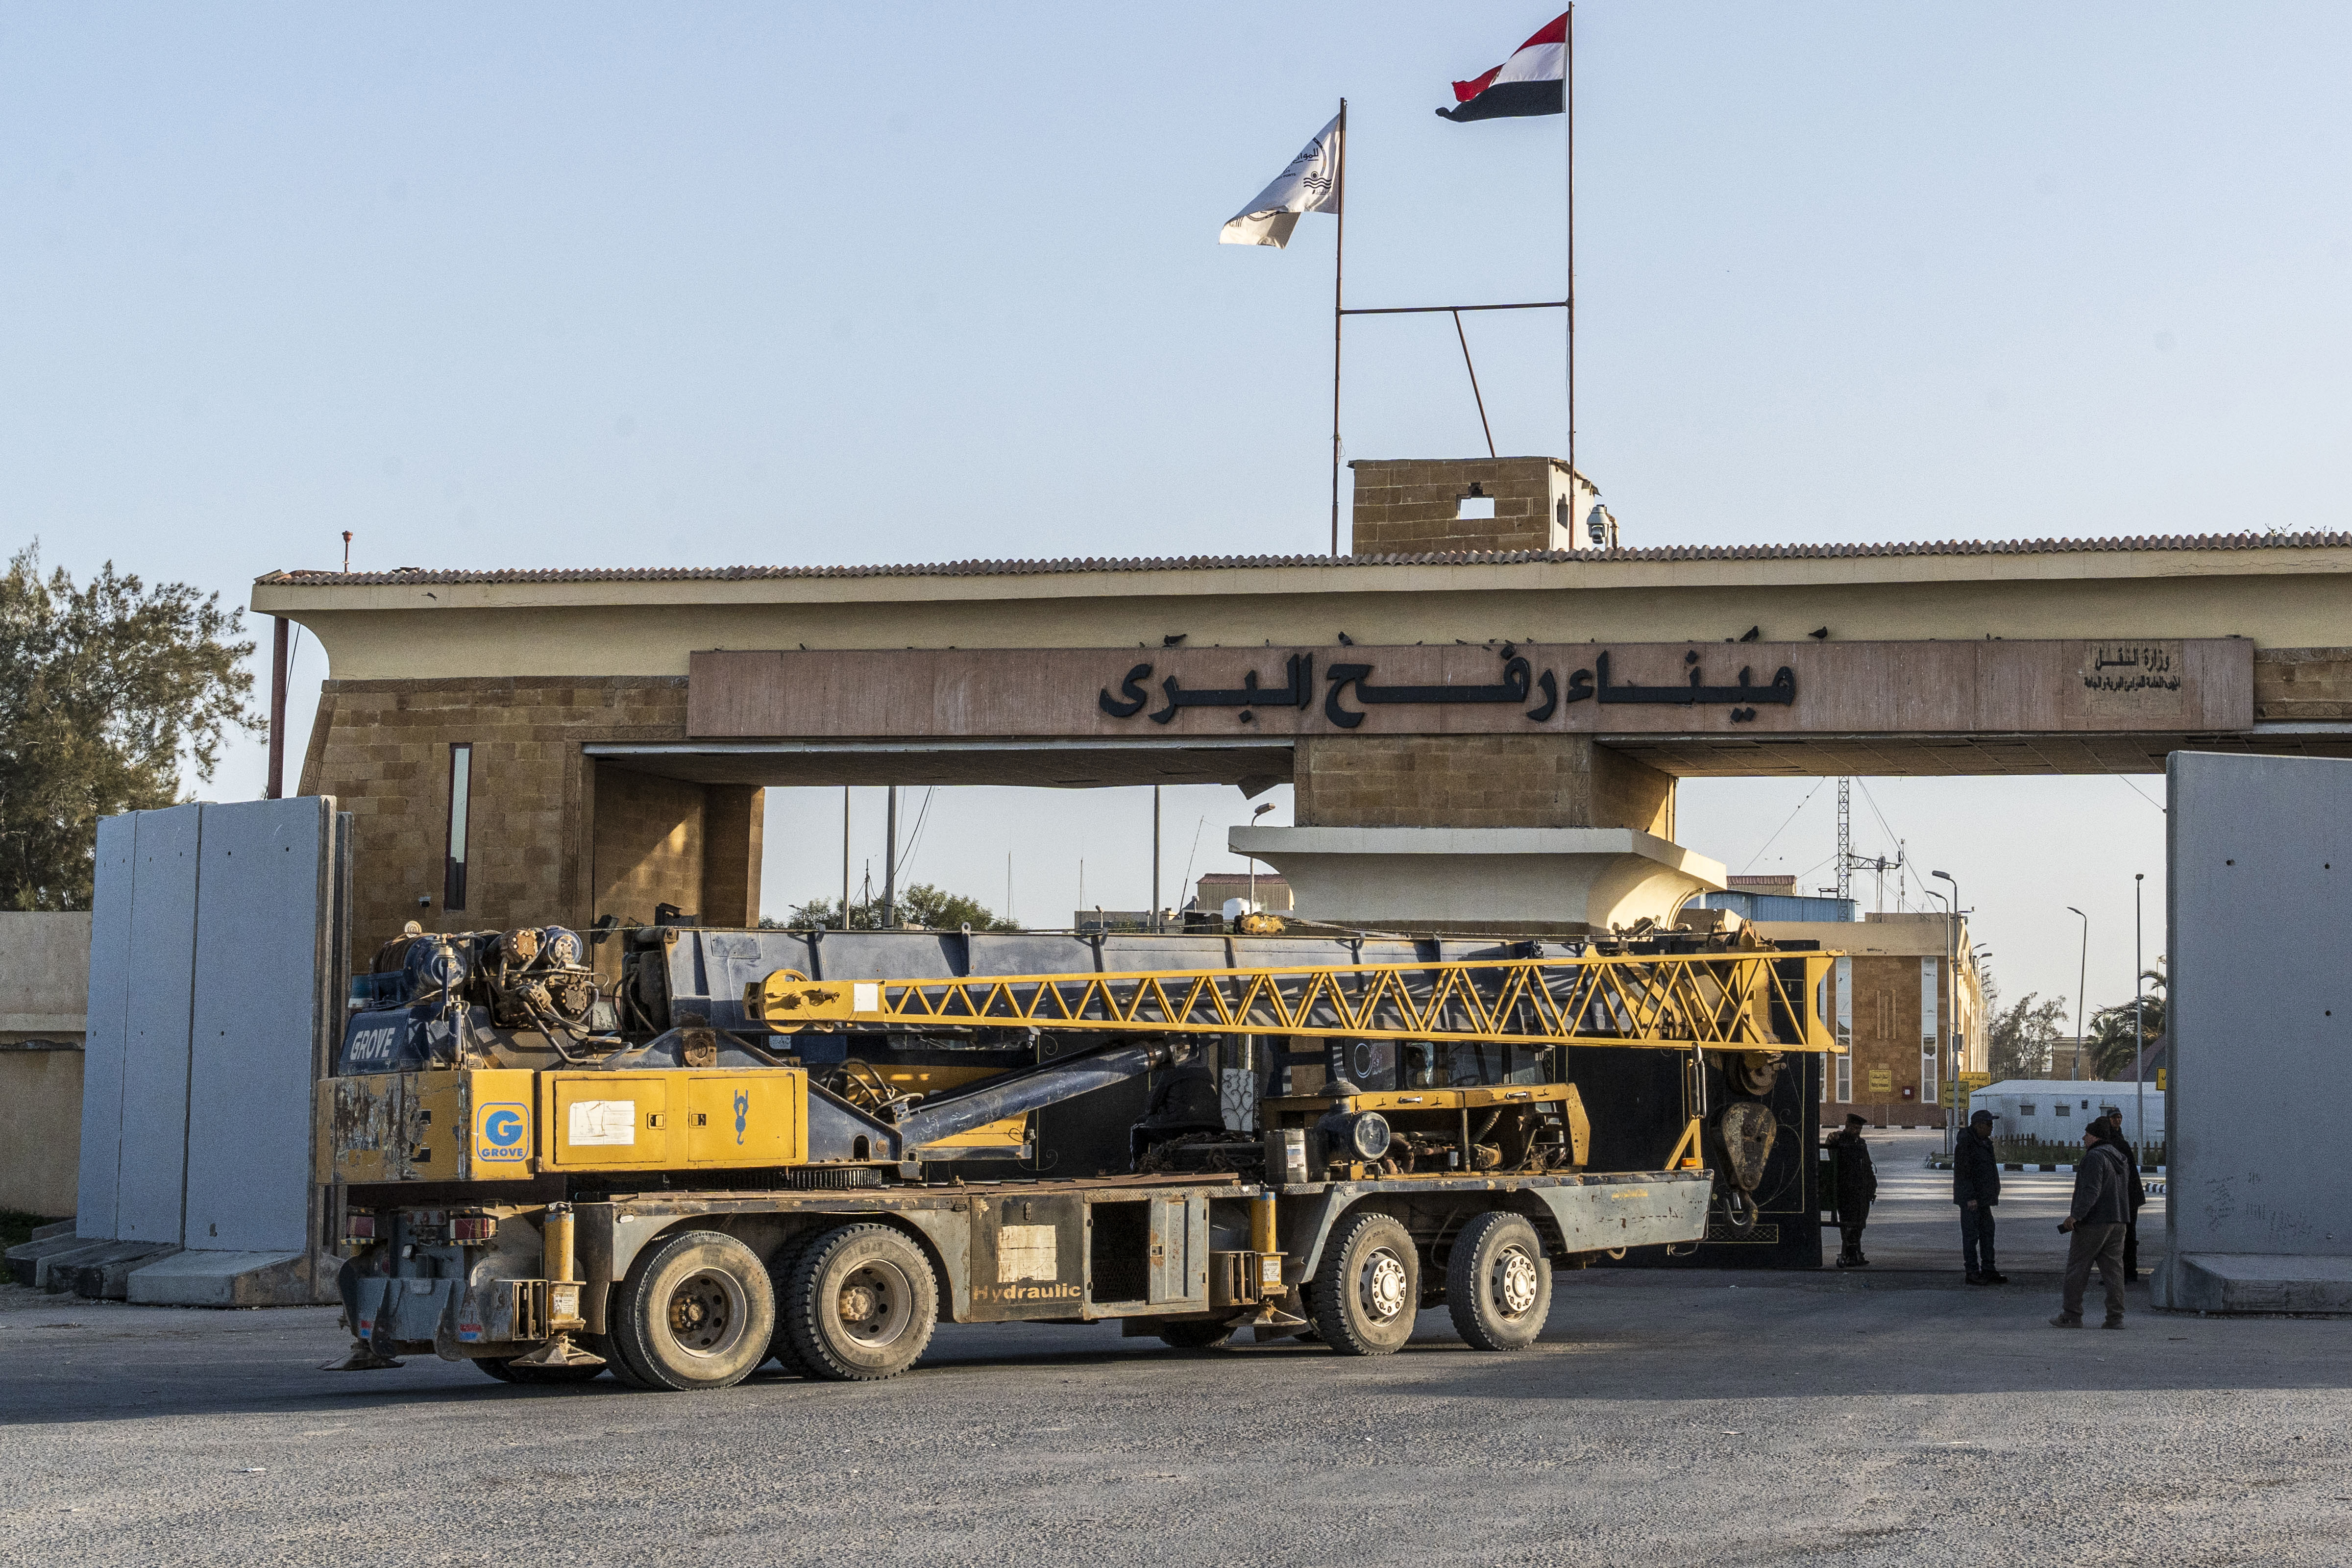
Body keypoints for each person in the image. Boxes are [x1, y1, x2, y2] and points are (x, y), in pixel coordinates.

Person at [2052, 1118, 2132, 1329]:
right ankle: (2116, 1318)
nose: (2083, 1138)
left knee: (2077, 1269)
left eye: (2086, 1134)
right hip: (2119, 1221)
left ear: (2095, 1136)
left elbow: (2091, 1191)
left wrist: (2075, 1216)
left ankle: (2072, 1316)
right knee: (2114, 1272)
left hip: (2095, 1223)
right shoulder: (2121, 1158)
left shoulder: (2095, 1158)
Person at [1954, 1107, 2007, 1284]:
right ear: (1978, 1125)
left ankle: (1989, 1269)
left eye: (1992, 1124)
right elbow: (1963, 1173)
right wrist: (1969, 1197)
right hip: (1972, 1200)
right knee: (1971, 1236)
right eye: (1989, 1124)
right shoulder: (1967, 1143)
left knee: (1988, 1233)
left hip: (1984, 1199)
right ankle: (1972, 1271)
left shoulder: (1984, 1142)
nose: (1991, 1128)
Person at [1826, 1112, 1877, 1268]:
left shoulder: (1861, 1143)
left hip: (1862, 1190)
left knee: (1860, 1222)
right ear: (1847, 1126)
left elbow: (1867, 1165)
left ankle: (1855, 1253)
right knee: (1848, 1223)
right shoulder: (1840, 1140)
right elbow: (1830, 1142)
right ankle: (1849, 1254)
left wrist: (1872, 1186)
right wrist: (1831, 1136)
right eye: (1854, 1127)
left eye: (1859, 1128)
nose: (1857, 1131)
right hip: (1846, 1190)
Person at [2104, 1120, 2148, 1283]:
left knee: (2121, 1236)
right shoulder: (2118, 1141)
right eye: (2114, 1117)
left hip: (2126, 1198)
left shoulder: (2115, 1143)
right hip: (2129, 1197)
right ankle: (2129, 1272)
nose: (2117, 1121)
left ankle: (2123, 1274)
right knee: (2127, 1235)